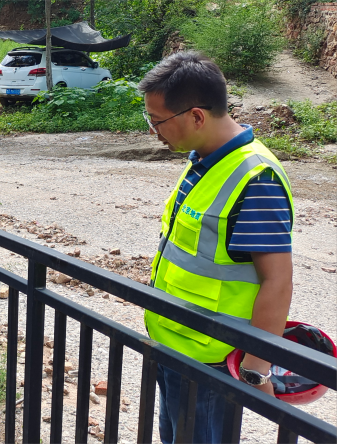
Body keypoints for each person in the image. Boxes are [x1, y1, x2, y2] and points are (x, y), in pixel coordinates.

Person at [138, 52, 294, 444]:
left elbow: (277, 280)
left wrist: (258, 370)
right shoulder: (203, 161)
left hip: (211, 361)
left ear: (196, 116)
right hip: (176, 343)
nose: (154, 131)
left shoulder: (255, 178)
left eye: (157, 121)